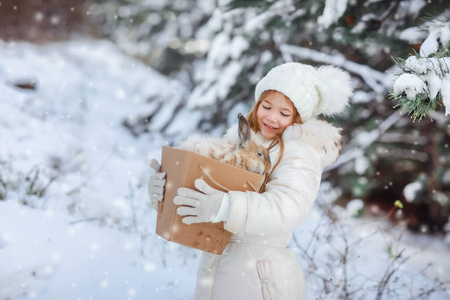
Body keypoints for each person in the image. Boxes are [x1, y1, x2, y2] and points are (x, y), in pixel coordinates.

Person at [148, 62, 352, 299]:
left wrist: (225, 206)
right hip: (219, 265)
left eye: (284, 113)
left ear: (297, 119)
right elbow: (203, 189)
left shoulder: (300, 153)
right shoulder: (242, 142)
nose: (273, 117)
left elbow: (287, 208)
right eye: (267, 106)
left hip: (260, 277)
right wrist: (168, 189)